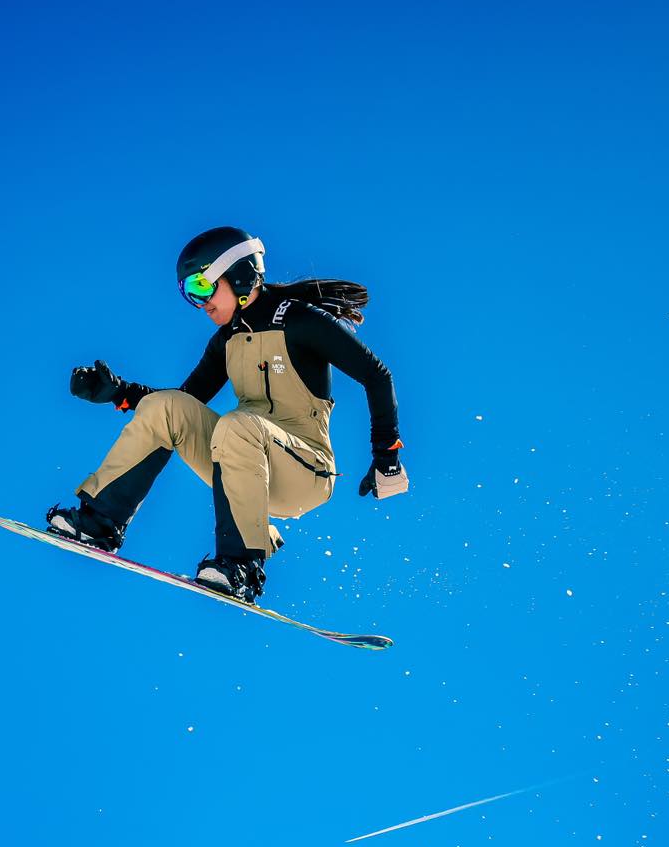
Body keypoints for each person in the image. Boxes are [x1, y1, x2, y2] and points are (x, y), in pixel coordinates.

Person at [47, 226, 406, 604]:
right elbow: (184, 402)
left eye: (202, 287)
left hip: (304, 470)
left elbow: (377, 376)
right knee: (166, 407)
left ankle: (241, 567)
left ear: (238, 273)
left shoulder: (300, 320)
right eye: (189, 294)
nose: (199, 302)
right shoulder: (226, 340)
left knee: (238, 425)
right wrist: (120, 394)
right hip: (245, 463)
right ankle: (98, 524)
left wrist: (387, 456)